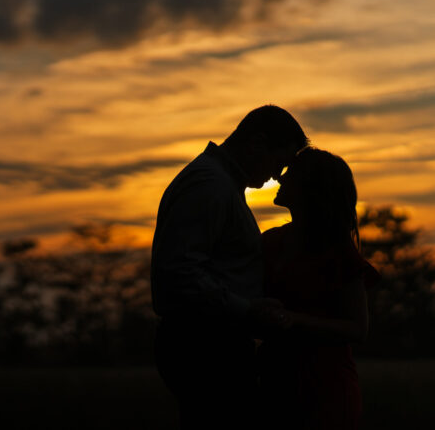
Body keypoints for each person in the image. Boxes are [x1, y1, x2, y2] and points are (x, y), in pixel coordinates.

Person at [151, 105, 309, 428]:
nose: (278, 175)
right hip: (205, 350)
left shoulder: (220, 185)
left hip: (213, 345)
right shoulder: (210, 186)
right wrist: (247, 310)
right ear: (257, 144)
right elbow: (180, 272)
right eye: (279, 162)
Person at [259, 147, 380, 430]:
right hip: (276, 385)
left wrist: (294, 320)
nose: (279, 179)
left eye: (290, 174)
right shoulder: (270, 242)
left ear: (309, 187)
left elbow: (357, 328)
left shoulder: (338, 253)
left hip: (325, 391)